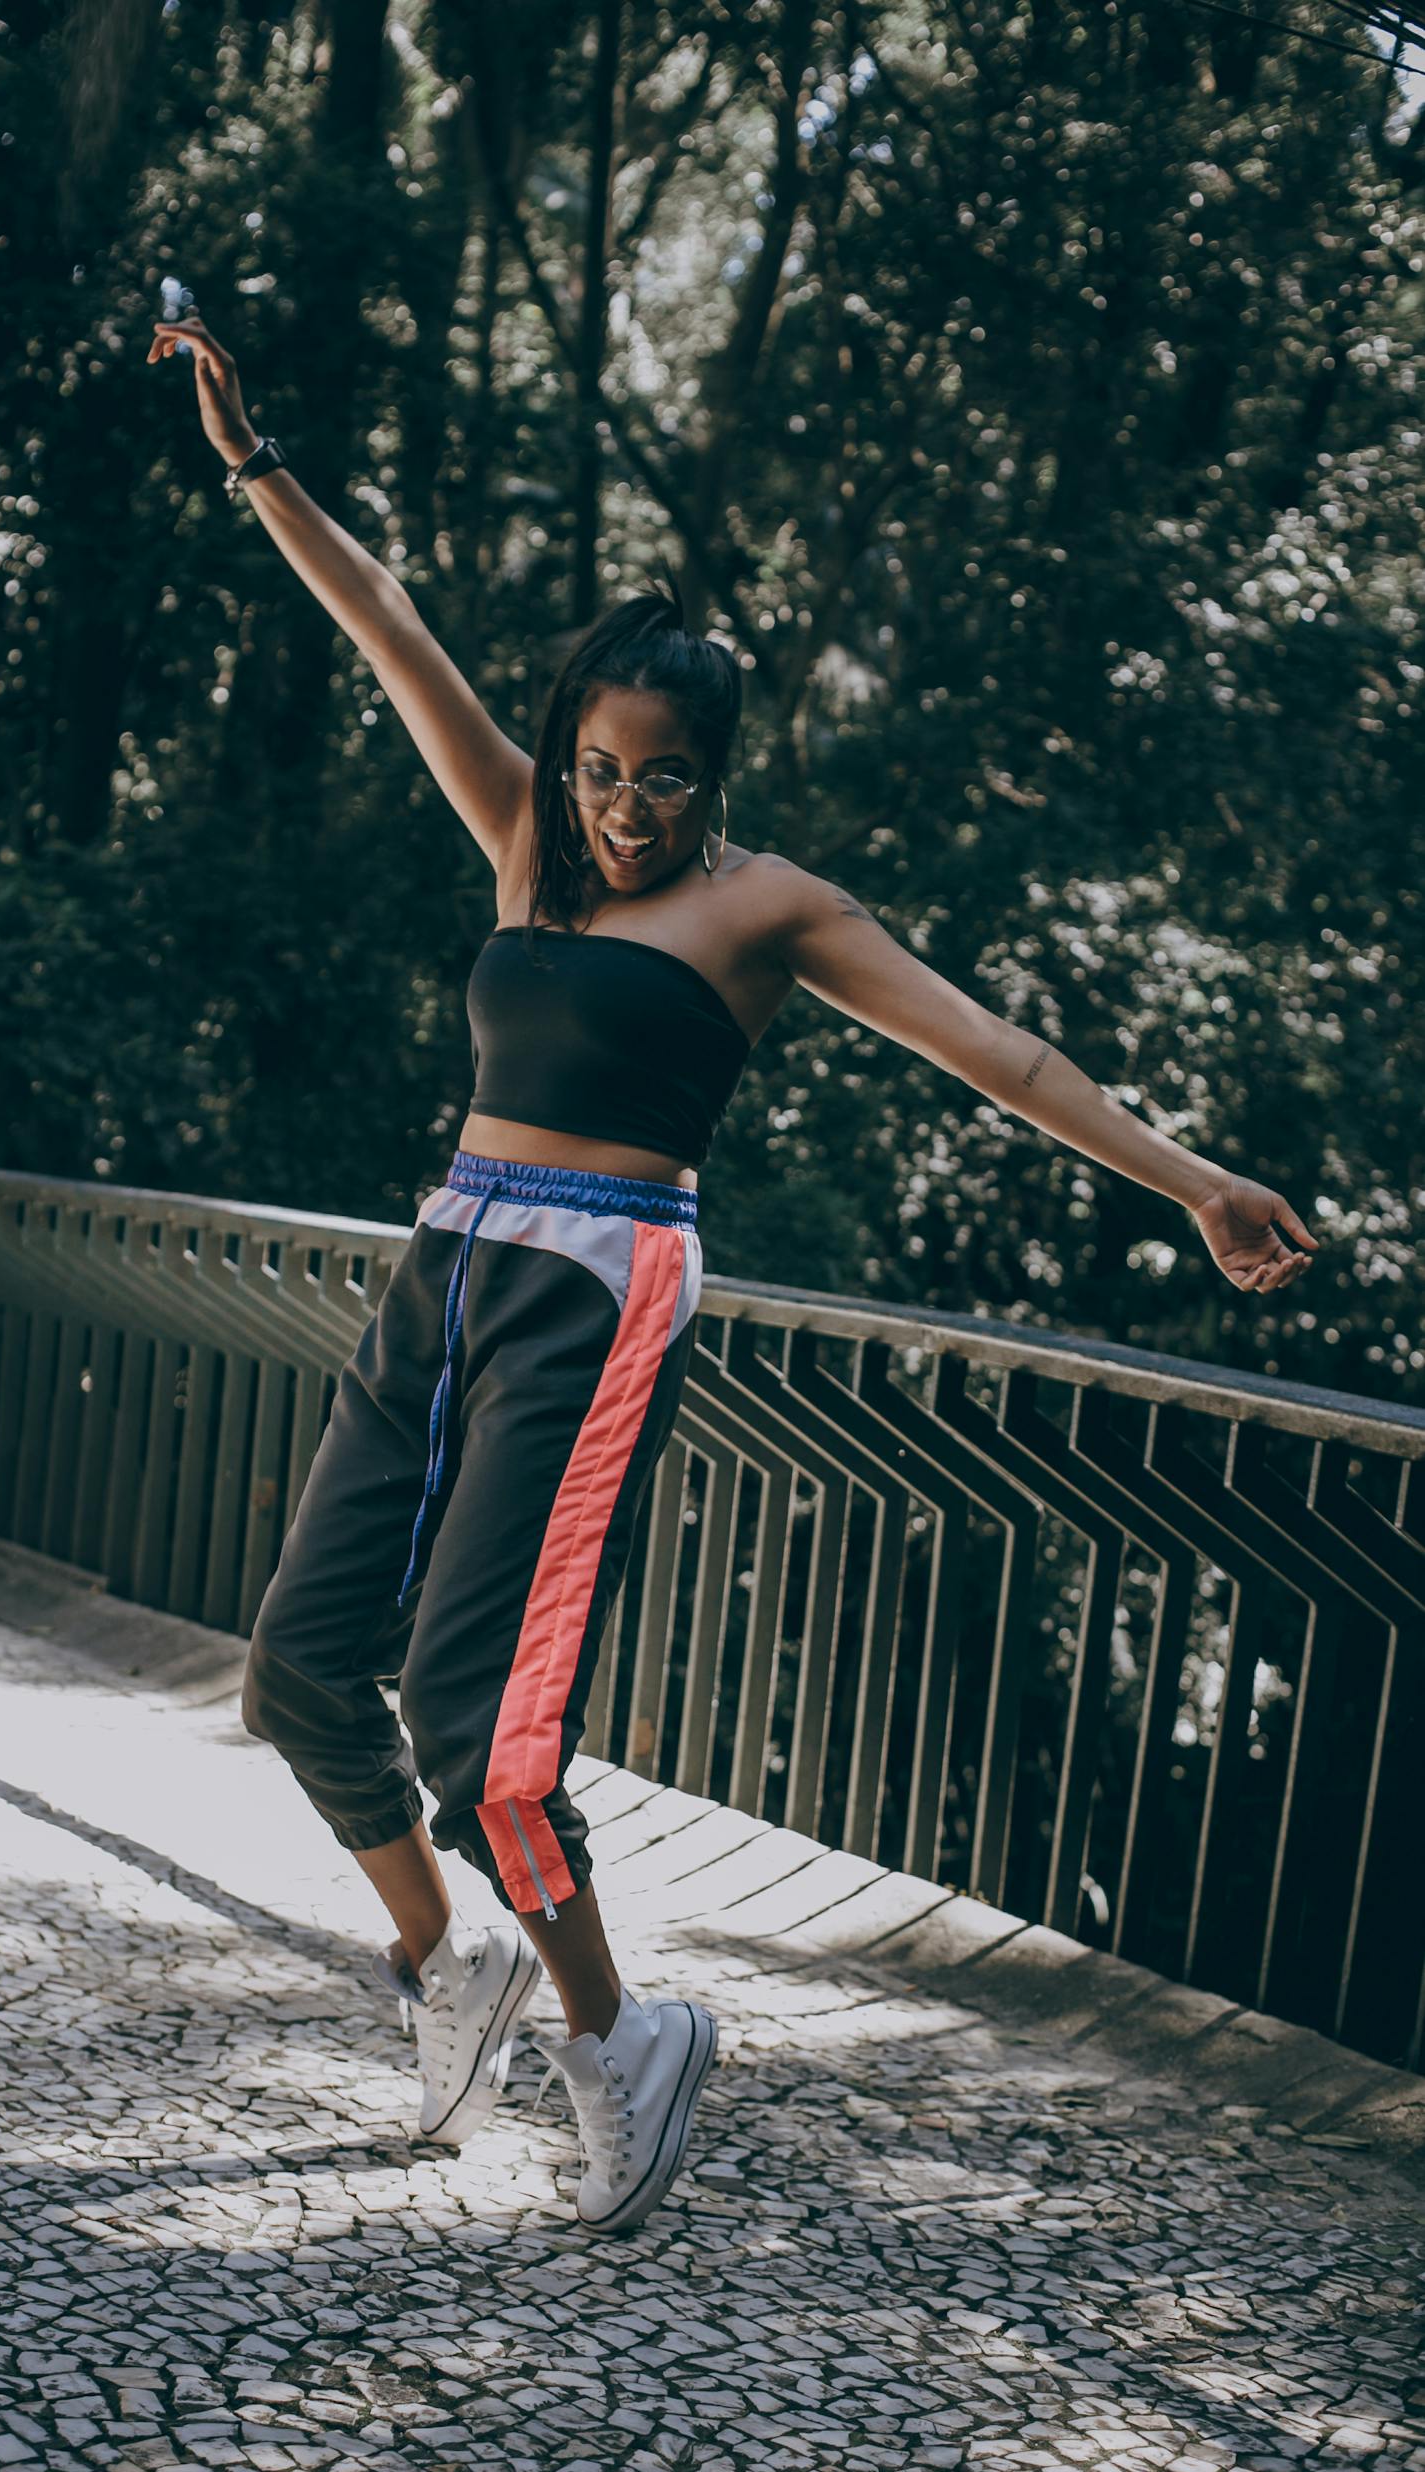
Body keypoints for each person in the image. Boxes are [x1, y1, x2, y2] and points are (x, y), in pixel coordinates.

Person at [148, 310, 1318, 2234]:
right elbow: (389, 628)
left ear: (716, 778)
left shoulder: (774, 912)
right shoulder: (527, 840)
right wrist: (254, 460)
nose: (623, 804)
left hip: (603, 1292)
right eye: (601, 766)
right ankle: (451, 1960)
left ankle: (619, 2043)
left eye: (662, 778)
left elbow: (997, 1057)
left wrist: (1189, 1179)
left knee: (481, 1718)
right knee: (296, 1674)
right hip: (449, 1260)